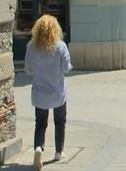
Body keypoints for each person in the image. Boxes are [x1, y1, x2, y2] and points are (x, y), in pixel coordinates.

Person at [25, 14, 72, 170]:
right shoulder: (60, 46)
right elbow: (66, 67)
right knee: (59, 122)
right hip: (57, 92)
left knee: (40, 123)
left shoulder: (31, 47)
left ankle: (38, 147)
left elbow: (28, 69)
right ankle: (59, 152)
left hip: (40, 93)